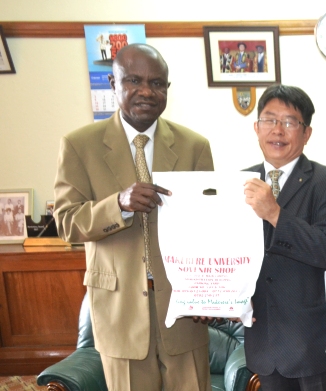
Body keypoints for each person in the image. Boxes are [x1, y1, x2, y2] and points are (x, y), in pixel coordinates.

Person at [54, 44, 214, 391]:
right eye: (134, 80)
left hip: (183, 308)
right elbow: (67, 223)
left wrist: (208, 295)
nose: (146, 91)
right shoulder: (80, 145)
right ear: (113, 82)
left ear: (167, 90)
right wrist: (119, 204)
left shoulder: (194, 146)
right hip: (120, 310)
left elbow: (207, 228)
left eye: (157, 83)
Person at [242, 84, 326, 391]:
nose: (278, 130)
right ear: (256, 127)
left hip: (314, 345)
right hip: (263, 341)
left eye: (290, 122)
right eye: (269, 119)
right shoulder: (239, 182)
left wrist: (275, 213)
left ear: (307, 133)